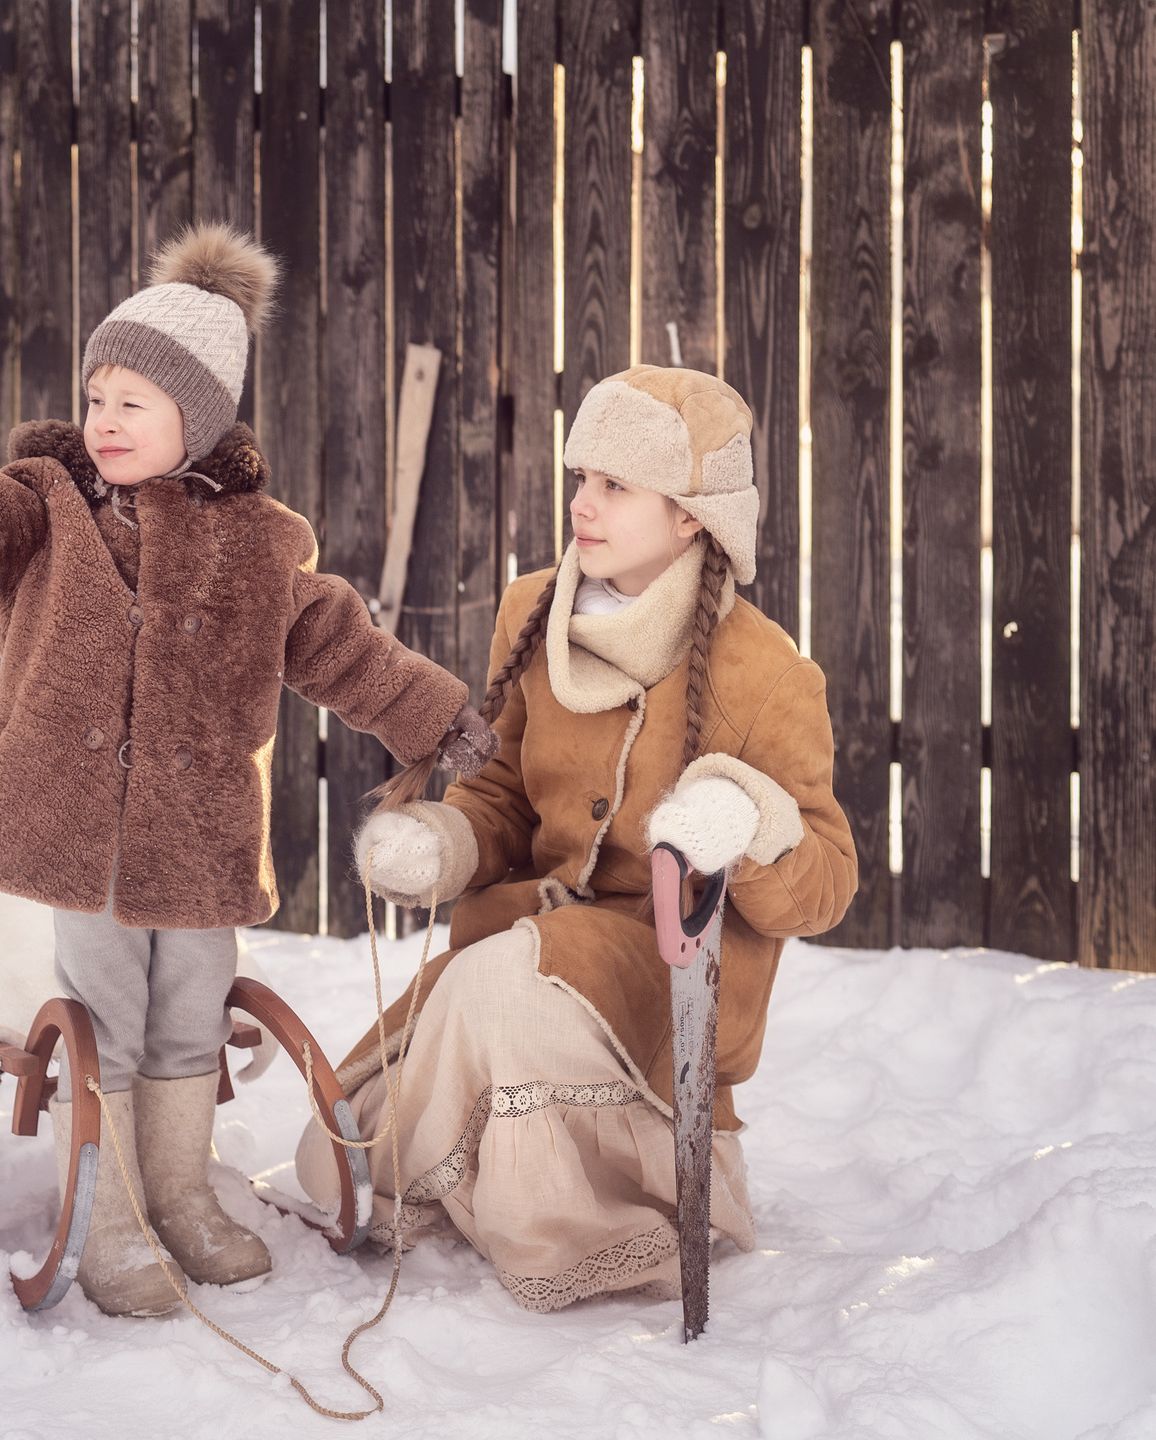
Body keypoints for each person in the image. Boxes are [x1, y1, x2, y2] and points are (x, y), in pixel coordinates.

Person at [0, 224, 496, 1316]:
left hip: (199, 838)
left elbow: (343, 649)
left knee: (189, 1017)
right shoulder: (40, 519)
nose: (106, 420)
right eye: (97, 396)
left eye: (135, 400)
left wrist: (440, 717)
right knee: (109, 1023)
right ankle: (118, 1219)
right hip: (80, 843)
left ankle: (181, 1193)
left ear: (203, 416)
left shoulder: (262, 548)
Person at [299, 364, 858, 1312]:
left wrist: (749, 822)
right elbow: (509, 791)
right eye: (579, 478)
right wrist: (447, 843)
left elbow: (828, 881)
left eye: (615, 485)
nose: (581, 505)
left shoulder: (768, 675)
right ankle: (476, 1178)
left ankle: (590, 1219)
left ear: (691, 517)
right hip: (533, 935)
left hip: (660, 974)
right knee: (351, 1132)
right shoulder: (533, 611)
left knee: (502, 988)